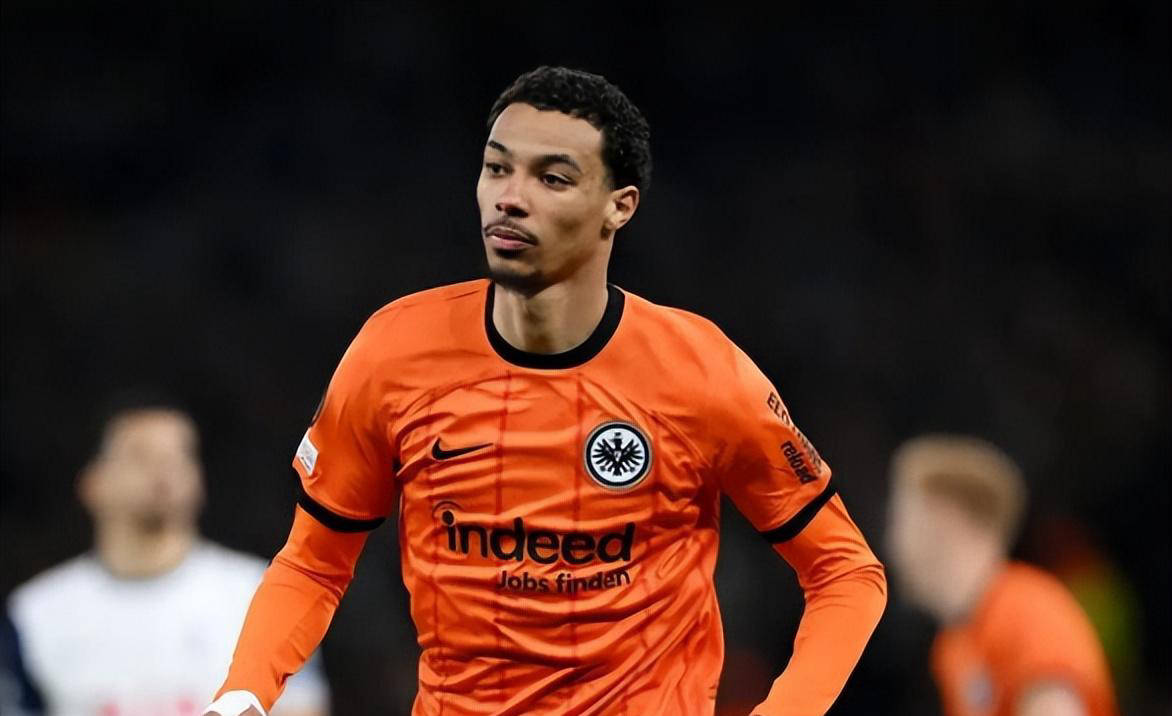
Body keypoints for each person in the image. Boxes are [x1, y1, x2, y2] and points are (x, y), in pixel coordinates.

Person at [205, 66, 887, 716]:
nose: (510, 196)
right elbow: (314, 564)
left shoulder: (702, 374)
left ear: (618, 208)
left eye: (552, 178)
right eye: (496, 167)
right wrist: (243, 693)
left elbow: (846, 573)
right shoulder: (393, 353)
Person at [7, 398, 329, 716]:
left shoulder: (260, 594)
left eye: (179, 456)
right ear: (93, 482)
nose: (163, 470)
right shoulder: (36, 613)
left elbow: (301, 708)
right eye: (140, 455)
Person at [886, 434, 1118, 716]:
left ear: (947, 520)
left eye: (902, 522)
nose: (892, 545)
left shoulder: (1027, 613)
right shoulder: (954, 646)